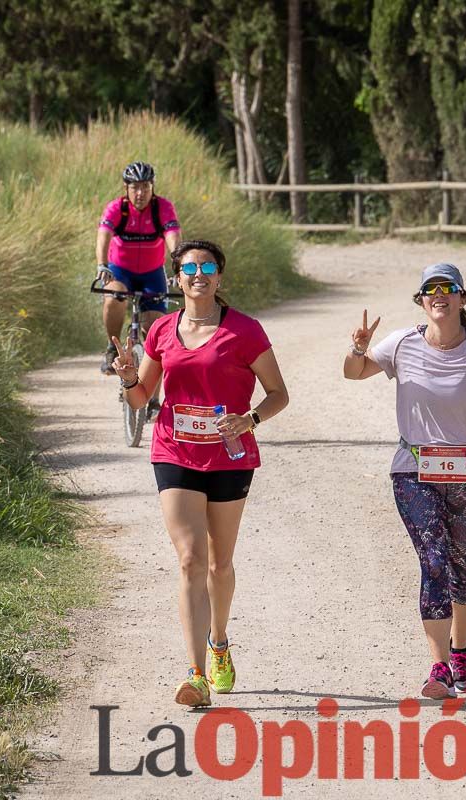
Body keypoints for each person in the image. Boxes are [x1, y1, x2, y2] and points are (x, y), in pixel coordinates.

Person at [343, 262, 466, 700]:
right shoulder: (401, 343)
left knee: (463, 567)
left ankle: (460, 650)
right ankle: (438, 667)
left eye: (447, 288)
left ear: (461, 298)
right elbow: (352, 374)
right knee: (434, 560)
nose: (439, 294)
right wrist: (359, 349)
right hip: (413, 470)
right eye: (430, 289)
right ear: (421, 300)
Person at [109, 239, 289, 707]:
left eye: (208, 266)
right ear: (177, 278)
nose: (199, 274)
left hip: (230, 456)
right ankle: (195, 675)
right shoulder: (163, 330)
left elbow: (277, 394)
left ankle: (219, 643)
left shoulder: (245, 331)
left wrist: (249, 419)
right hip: (174, 451)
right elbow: (140, 396)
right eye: (190, 268)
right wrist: (129, 376)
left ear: (219, 278)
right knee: (189, 558)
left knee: (218, 563)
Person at [96, 162, 182, 387]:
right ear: (126, 188)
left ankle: (151, 396)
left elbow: (173, 236)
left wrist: (178, 263)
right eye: (135, 187)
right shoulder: (117, 208)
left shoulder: (162, 208)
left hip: (152, 274)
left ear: (152, 186)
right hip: (120, 271)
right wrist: (102, 265)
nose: (140, 193)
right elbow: (103, 236)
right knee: (114, 295)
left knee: (154, 329)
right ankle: (111, 348)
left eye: (145, 186)